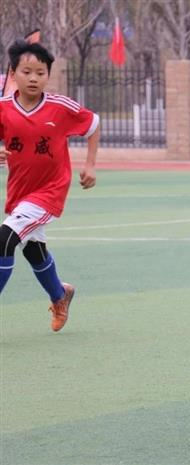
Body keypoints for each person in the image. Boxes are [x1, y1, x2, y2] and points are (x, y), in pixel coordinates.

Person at [0, 40, 100, 331]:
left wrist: (90, 165)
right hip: (19, 192)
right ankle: (60, 295)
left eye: (40, 73)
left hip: (50, 191)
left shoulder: (60, 107)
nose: (33, 78)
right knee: (33, 251)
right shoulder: (3, 109)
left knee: (4, 239)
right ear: (13, 74)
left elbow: (93, 124)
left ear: (48, 75)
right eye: (26, 71)